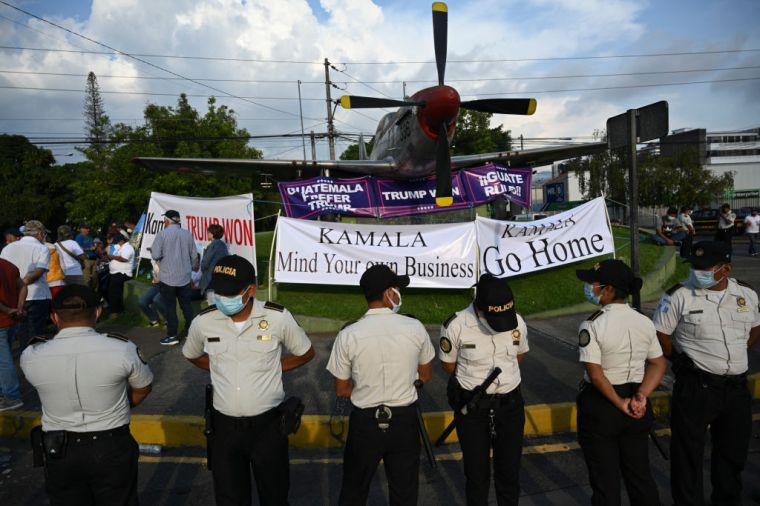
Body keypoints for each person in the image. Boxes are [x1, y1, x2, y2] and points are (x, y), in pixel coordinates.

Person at [182, 255, 315, 506]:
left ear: (250, 290)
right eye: (218, 291)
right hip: (224, 429)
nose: (222, 298)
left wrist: (274, 368)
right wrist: (219, 367)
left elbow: (305, 352)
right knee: (229, 498)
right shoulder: (204, 321)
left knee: (274, 496)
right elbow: (191, 354)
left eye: (229, 293)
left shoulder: (277, 317)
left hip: (268, 427)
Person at [20, 285, 153, 505]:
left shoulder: (31, 354)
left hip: (59, 449)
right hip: (111, 444)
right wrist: (120, 405)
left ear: (54, 317)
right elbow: (144, 387)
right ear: (98, 312)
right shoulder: (122, 348)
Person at [652, 241, 759, 505]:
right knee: (687, 455)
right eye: (695, 266)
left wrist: (736, 352)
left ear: (726, 269)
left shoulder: (746, 294)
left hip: (736, 388)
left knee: (732, 454)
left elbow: (755, 327)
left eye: (705, 268)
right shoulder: (679, 295)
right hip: (697, 386)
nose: (697, 272)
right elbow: (660, 334)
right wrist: (679, 360)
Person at [327, 264, 435, 506]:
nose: (399, 293)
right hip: (404, 421)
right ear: (388, 293)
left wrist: (368, 390)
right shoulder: (414, 328)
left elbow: (341, 389)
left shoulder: (348, 334)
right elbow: (425, 375)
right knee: (404, 493)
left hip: (365, 423)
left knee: (354, 491)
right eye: (397, 289)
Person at [575, 260, 665, 505]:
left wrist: (619, 402)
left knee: (605, 481)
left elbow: (596, 374)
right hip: (636, 403)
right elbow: (658, 364)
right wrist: (641, 396)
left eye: (593, 284)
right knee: (639, 475)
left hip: (603, 404)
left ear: (609, 289)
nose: (589, 288)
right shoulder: (643, 321)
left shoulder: (592, 324)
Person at [438, 273, 528, 506]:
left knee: (509, 474)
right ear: (479, 310)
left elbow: (518, 355)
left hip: (510, 407)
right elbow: (449, 365)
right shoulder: (456, 325)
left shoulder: (517, 321)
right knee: (476, 476)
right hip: (473, 409)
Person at [151, 210, 199, 346]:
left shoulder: (162, 234)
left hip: (168, 278)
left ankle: (172, 335)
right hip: (185, 277)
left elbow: (155, 255)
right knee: (187, 306)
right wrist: (193, 267)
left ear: (167, 221)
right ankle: (191, 332)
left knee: (170, 308)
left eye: (164, 220)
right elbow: (194, 256)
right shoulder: (187, 234)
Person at [0, 220, 51, 347]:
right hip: (37, 295)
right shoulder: (42, 248)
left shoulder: (7, 248)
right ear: (40, 234)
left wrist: (18, 288)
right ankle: (36, 356)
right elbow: (38, 272)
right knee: (37, 333)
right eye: (44, 234)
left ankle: (23, 355)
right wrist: (22, 285)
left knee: (21, 331)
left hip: (14, 297)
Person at [0, 257, 26, 411]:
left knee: (3, 362)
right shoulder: (8, 265)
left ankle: (11, 397)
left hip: (4, 318)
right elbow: (23, 286)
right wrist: (19, 308)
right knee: (5, 359)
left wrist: (8, 310)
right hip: (11, 321)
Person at [105, 233, 135, 318]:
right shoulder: (122, 247)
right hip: (116, 272)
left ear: (121, 241)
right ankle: (115, 309)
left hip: (122, 273)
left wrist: (112, 257)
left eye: (117, 242)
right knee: (112, 291)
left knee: (114, 292)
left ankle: (115, 311)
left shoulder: (128, 247)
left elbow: (124, 259)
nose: (116, 243)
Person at [200, 224, 228, 305]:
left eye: (208, 232)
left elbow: (205, 262)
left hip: (211, 278)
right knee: (220, 303)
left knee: (212, 304)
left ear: (212, 234)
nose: (207, 234)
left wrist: (203, 269)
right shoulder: (223, 245)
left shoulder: (213, 245)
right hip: (220, 277)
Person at [138, 256, 166, 327]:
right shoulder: (153, 261)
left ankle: (168, 320)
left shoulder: (167, 259)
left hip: (167, 285)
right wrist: (155, 278)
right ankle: (154, 321)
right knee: (142, 302)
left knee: (157, 300)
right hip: (157, 285)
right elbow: (155, 274)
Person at [75, 223, 99, 290]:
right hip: (86, 260)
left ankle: (93, 292)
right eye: (86, 228)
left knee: (94, 278)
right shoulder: (79, 237)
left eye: (88, 228)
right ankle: (86, 292)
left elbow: (92, 247)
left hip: (94, 259)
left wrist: (95, 250)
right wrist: (89, 249)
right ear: (81, 229)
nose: (88, 229)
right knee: (86, 278)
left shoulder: (90, 237)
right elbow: (78, 249)